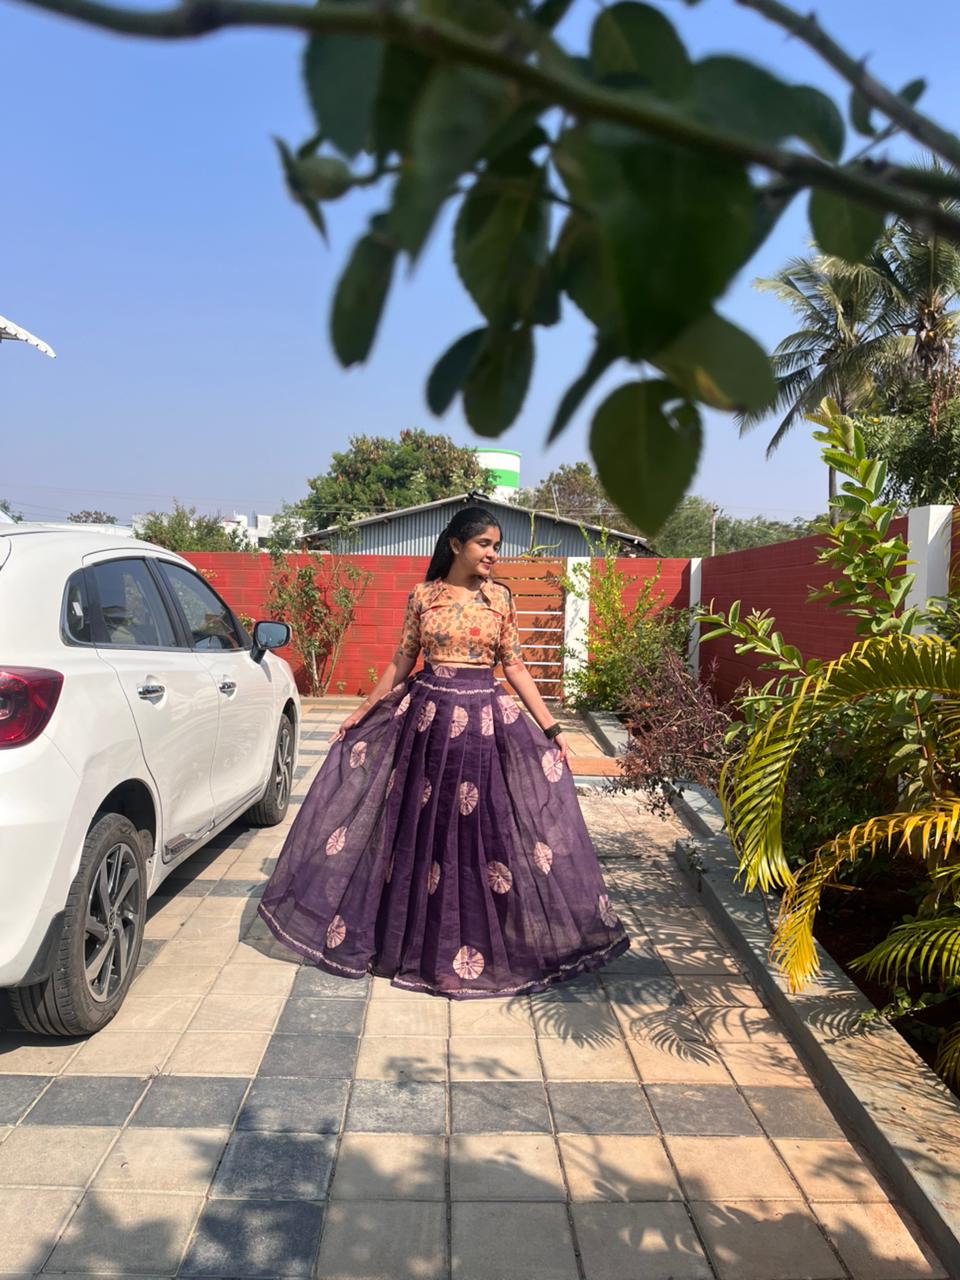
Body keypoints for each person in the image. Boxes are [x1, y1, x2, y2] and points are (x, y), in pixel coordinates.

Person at [258, 506, 630, 998]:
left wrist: (552, 726)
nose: (494, 554)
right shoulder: (423, 597)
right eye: (485, 545)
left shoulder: (500, 599)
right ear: (456, 545)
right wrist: (360, 713)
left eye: (497, 546)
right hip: (427, 729)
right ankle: (414, 943)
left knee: (485, 833)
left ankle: (485, 937)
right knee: (420, 832)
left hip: (483, 731)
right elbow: (400, 661)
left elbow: (515, 667)